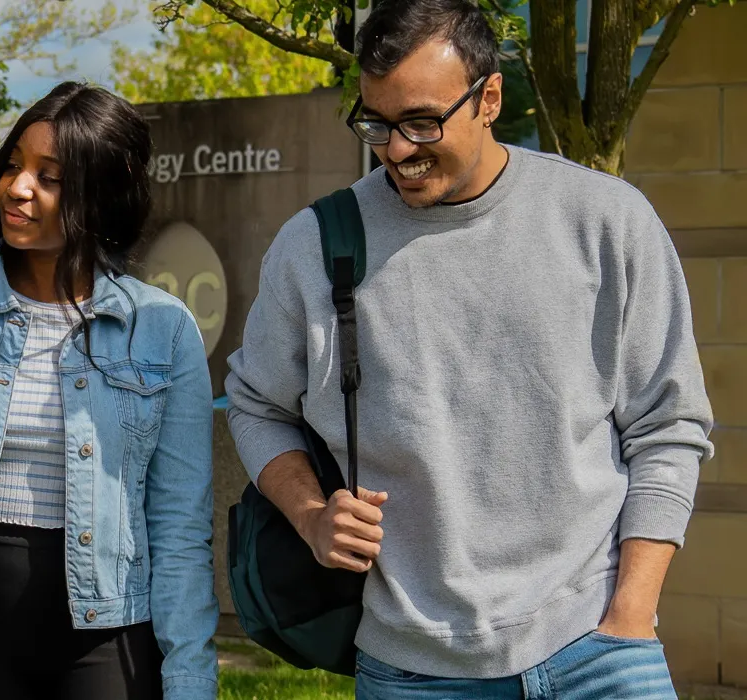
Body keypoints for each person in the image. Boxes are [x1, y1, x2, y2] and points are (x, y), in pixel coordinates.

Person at [223, 1, 715, 697]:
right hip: (410, 667)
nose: (396, 149)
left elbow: (668, 427)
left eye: (422, 122)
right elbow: (254, 402)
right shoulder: (314, 246)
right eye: (376, 123)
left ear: (489, 98)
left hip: (599, 651)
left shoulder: (607, 222)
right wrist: (309, 515)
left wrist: (631, 614)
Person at [0, 81, 220, 700]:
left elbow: (179, 526)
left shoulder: (164, 329)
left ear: (103, 193)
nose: (17, 187)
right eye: (13, 166)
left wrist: (191, 678)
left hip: (110, 637)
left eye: (50, 176)